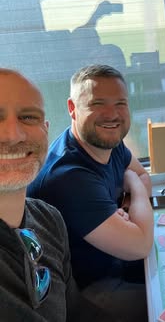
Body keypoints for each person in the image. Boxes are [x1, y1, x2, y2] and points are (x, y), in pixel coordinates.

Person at [28, 64, 154, 321]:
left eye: (120, 103)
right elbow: (140, 245)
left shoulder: (108, 142)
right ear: (72, 108)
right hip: (87, 291)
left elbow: (143, 176)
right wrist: (132, 182)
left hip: (115, 262)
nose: (112, 114)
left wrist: (126, 206)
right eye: (98, 103)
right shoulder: (68, 177)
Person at [0, 68, 115, 321]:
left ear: (46, 128)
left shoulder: (48, 219)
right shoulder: (69, 174)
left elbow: (74, 310)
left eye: (28, 117)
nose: (13, 135)